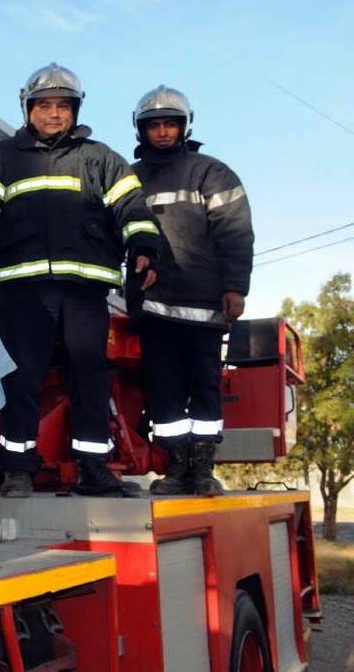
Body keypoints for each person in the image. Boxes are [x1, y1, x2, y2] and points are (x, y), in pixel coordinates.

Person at [0, 63, 162, 498]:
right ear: (28, 109)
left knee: (89, 375)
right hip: (22, 287)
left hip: (84, 289)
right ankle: (17, 468)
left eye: (63, 106)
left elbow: (133, 208)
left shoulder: (100, 159)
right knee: (20, 377)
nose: (54, 114)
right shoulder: (2, 158)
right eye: (45, 105)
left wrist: (146, 248)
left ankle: (94, 467)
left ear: (76, 110)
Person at [130, 85, 253, 497]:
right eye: (154, 126)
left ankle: (203, 470)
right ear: (141, 130)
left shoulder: (211, 173)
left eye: (170, 124)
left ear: (185, 127)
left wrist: (235, 287)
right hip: (152, 305)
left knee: (204, 384)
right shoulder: (131, 179)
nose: (163, 132)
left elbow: (236, 235)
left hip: (203, 301)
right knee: (162, 387)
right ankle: (176, 469)